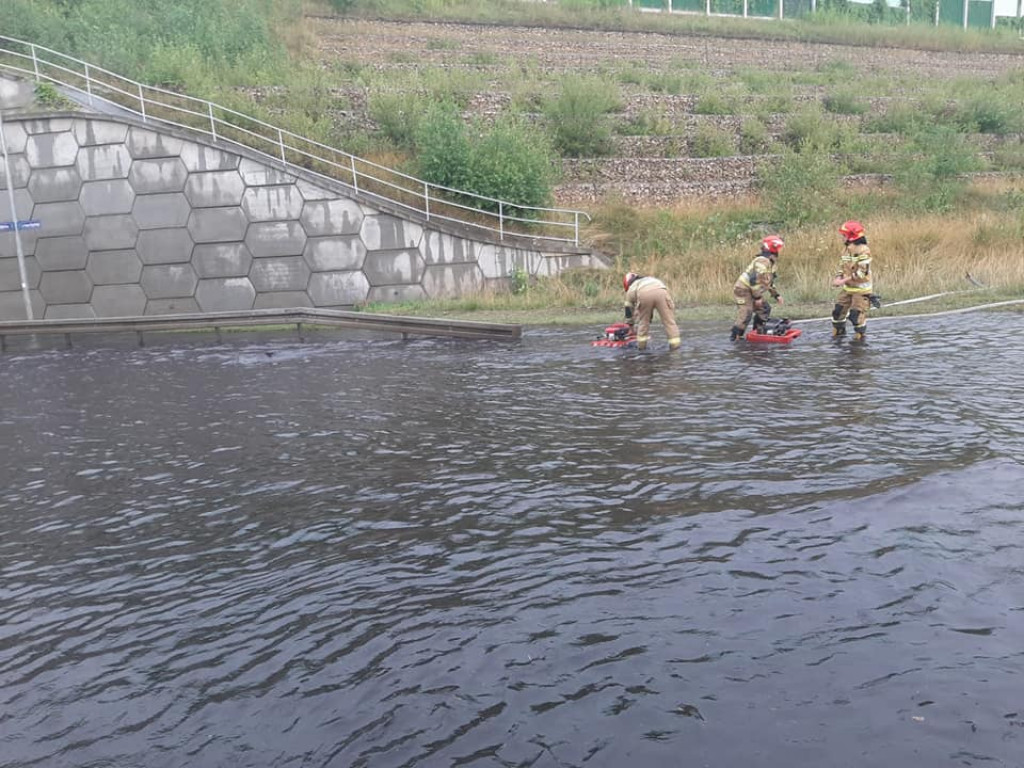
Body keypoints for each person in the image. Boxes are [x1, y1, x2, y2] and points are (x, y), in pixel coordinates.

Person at [730, 235, 784, 341]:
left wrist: (776, 295)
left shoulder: (770, 263)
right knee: (746, 313)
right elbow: (754, 280)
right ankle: (735, 338)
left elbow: (768, 282)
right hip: (743, 290)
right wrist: (757, 298)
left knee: (765, 309)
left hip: (752, 291)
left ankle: (757, 334)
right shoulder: (762, 261)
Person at [831, 220, 873, 341]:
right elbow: (842, 266)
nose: (841, 238)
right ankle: (838, 335)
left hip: (861, 290)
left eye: (844, 236)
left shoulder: (864, 251)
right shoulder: (846, 250)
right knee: (838, 312)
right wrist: (838, 277)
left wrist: (843, 281)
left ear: (851, 236)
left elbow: (862, 273)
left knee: (856, 316)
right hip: (847, 289)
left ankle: (859, 341)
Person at [622, 272, 680, 351]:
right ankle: (675, 348)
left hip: (644, 294)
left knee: (643, 323)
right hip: (662, 291)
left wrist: (630, 326)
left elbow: (628, 310)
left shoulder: (631, 288)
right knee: (670, 322)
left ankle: (641, 349)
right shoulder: (650, 279)